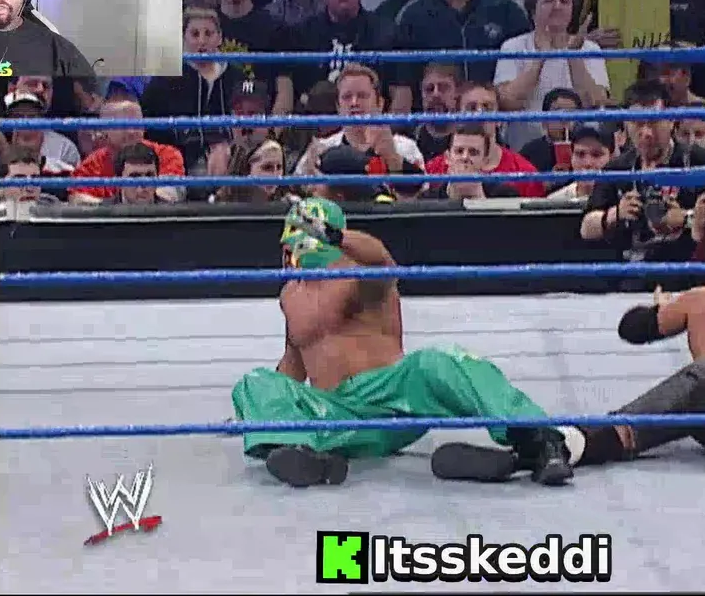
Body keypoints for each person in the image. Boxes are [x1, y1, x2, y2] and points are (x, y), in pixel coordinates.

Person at [431, 227, 705, 503]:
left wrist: (662, 309)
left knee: (623, 430)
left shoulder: (704, 298)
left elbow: (633, 329)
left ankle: (548, 448)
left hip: (700, 378)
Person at [230, 197, 577, 488]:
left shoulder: (357, 276)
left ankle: (540, 441)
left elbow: (383, 260)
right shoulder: (290, 296)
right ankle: (307, 456)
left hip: (394, 398)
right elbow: (293, 364)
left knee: (440, 361)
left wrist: (337, 237)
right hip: (337, 415)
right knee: (254, 382)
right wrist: (260, 410)